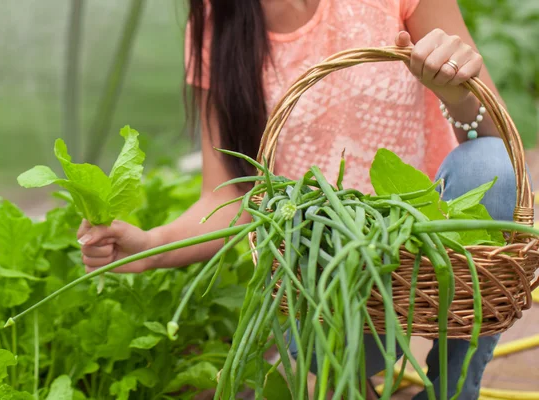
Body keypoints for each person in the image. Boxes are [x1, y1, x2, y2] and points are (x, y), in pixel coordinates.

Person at [77, 1, 518, 398]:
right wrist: (152, 247)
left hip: (429, 241)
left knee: (490, 165)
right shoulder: (219, 17)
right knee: (320, 377)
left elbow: (499, 140)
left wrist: (455, 89)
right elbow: (232, 196)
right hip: (324, 272)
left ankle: (454, 388)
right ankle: (345, 376)